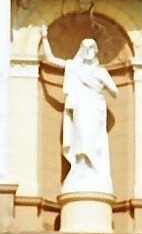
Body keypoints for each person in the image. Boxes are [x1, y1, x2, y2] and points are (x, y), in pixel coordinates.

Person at [39, 28, 118, 193]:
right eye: (86, 48)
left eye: (92, 48)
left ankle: (95, 173)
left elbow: (114, 91)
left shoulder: (100, 71)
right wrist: (45, 38)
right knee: (80, 138)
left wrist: (101, 82)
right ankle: (80, 170)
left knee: (94, 139)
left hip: (95, 107)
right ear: (82, 51)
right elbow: (51, 58)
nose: (89, 51)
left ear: (96, 51)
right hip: (80, 106)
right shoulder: (73, 67)